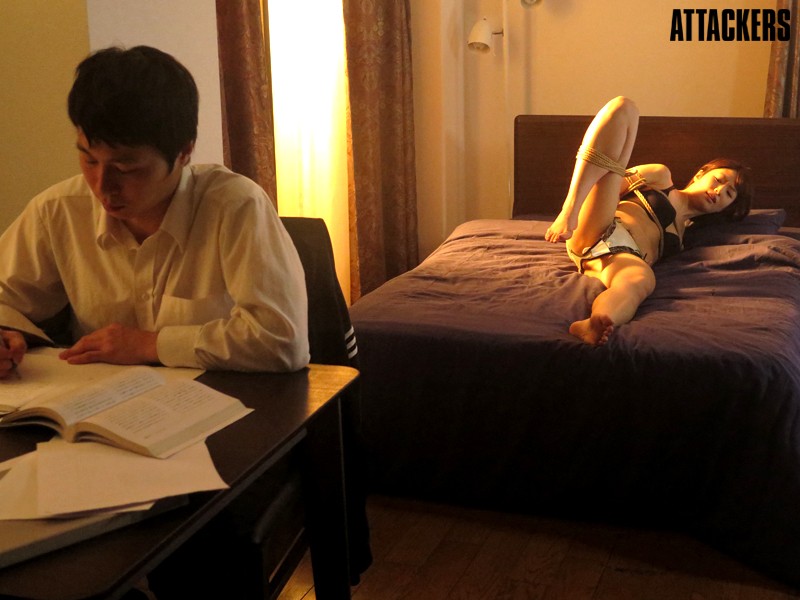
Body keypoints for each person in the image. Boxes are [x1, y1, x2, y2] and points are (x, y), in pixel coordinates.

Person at [0, 45, 309, 378]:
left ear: (184, 152)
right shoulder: (58, 211)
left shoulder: (235, 207)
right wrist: (6, 333)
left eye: (126, 167)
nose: (103, 185)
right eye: (89, 160)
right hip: (98, 400)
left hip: (228, 400)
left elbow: (282, 341)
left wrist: (149, 344)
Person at [545, 96, 753, 346]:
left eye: (729, 193)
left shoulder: (686, 237)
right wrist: (578, 209)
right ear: (700, 174)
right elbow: (605, 182)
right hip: (600, 225)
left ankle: (597, 322)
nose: (718, 191)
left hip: (622, 257)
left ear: (727, 207)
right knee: (624, 111)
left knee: (641, 281)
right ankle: (569, 209)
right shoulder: (660, 177)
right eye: (718, 180)